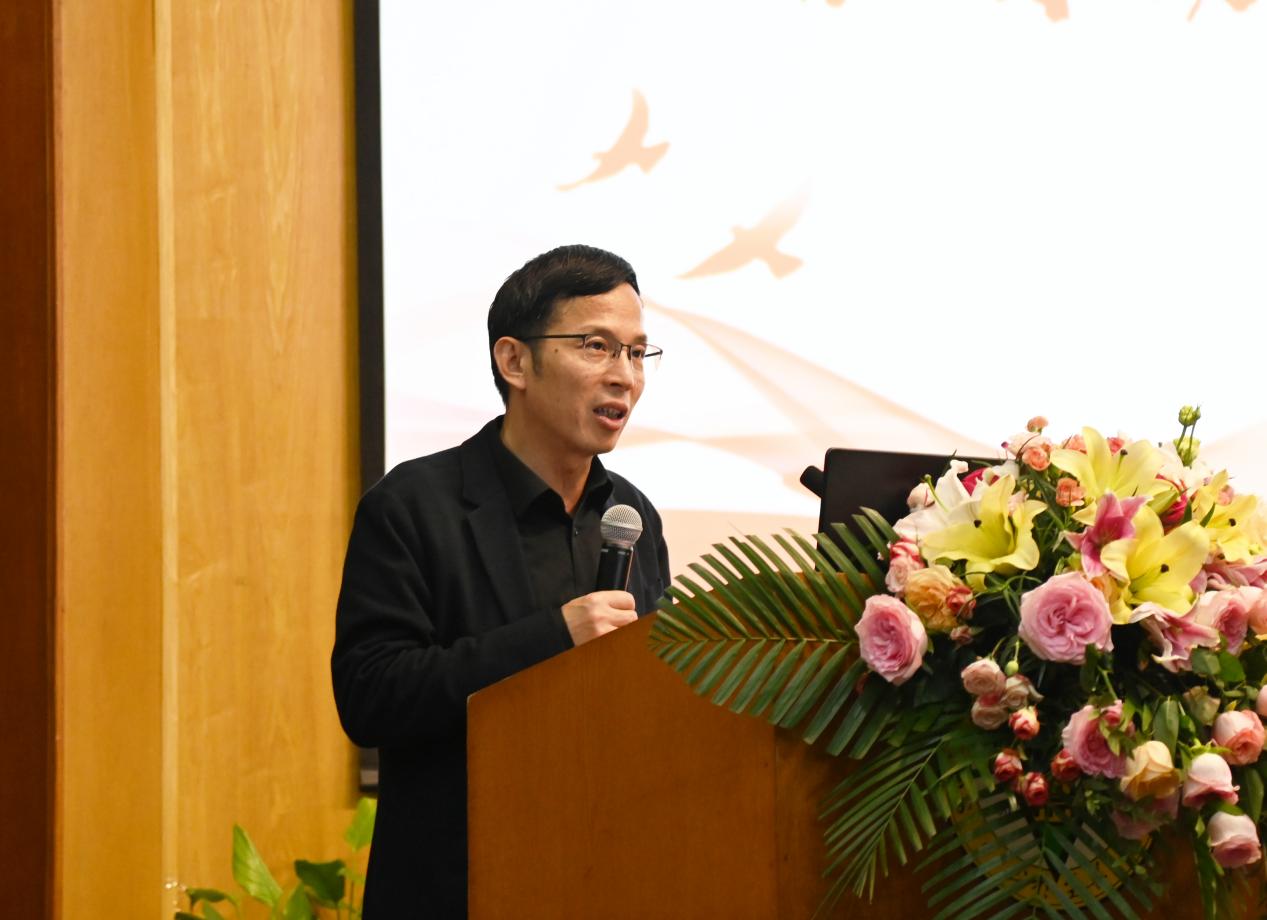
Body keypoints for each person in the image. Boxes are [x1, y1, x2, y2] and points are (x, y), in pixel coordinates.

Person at [332, 244, 670, 918]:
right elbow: (370, 697)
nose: (623, 376)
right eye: (596, 347)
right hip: (455, 888)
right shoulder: (414, 506)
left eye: (637, 354)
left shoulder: (631, 516)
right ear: (514, 361)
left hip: (604, 881)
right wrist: (555, 637)